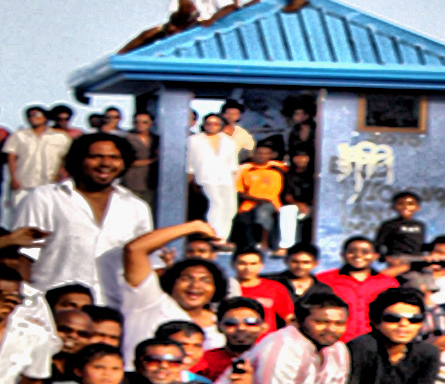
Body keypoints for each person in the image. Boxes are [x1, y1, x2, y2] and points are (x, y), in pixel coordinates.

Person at [14, 132, 153, 293]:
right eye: (96, 157)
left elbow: (144, 260)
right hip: (52, 303)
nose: (105, 163)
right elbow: (23, 257)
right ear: (78, 160)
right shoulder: (44, 198)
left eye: (114, 157)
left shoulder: (136, 207)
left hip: (113, 305)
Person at [116, 220, 227, 364]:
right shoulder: (148, 300)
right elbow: (135, 249)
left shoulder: (221, 326)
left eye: (205, 280)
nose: (195, 285)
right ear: (172, 282)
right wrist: (194, 227)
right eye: (187, 278)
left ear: (215, 289)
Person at [316, 236, 399, 340]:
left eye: (365, 252)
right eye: (352, 251)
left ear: (375, 256)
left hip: (375, 341)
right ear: (342, 255)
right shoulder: (324, 280)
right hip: (335, 341)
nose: (358, 255)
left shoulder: (388, 283)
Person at [4, 106, 72, 209]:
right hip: (23, 182)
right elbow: (11, 157)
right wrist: (13, 178)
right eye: (30, 116)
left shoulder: (60, 137)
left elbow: (66, 156)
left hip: (49, 183)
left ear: (45, 118)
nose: (33, 118)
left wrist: (61, 173)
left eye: (36, 115)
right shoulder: (18, 136)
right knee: (20, 214)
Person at [184, 113, 238, 242]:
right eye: (209, 123)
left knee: (230, 207)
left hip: (225, 179)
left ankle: (224, 237)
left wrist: (235, 183)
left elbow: (233, 165)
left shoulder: (228, 141)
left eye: (216, 124)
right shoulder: (194, 140)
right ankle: (214, 235)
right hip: (204, 178)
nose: (212, 126)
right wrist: (190, 180)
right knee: (216, 204)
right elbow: (189, 163)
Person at [232, 138, 287, 253]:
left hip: (271, 202)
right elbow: (239, 191)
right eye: (259, 153)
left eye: (265, 153)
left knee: (263, 214)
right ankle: (250, 247)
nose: (261, 156)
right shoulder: (246, 169)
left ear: (271, 155)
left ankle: (264, 244)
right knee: (244, 218)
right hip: (250, 202)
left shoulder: (278, 168)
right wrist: (255, 198)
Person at [228, 249, 295, 328]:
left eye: (253, 264)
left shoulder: (275, 288)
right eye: (242, 263)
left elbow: (288, 317)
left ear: (261, 265)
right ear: (233, 264)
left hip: (268, 339)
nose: (248, 268)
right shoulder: (226, 288)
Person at [267, 241, 335, 307]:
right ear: (286, 261)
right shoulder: (269, 283)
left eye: (306, 262)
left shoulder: (323, 290)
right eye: (295, 262)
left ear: (315, 264)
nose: (300, 267)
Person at [375, 191, 428, 265]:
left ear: (418, 207)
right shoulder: (389, 224)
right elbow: (378, 244)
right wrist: (384, 258)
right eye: (400, 204)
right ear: (393, 207)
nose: (405, 207)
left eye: (410, 204)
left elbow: (420, 244)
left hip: (417, 258)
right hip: (398, 259)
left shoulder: (420, 225)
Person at [123, 111, 158, 206]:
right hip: (132, 181)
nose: (140, 125)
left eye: (144, 122)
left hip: (151, 182)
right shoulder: (126, 138)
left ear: (151, 123)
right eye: (137, 122)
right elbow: (126, 161)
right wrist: (152, 160)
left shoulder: (156, 139)